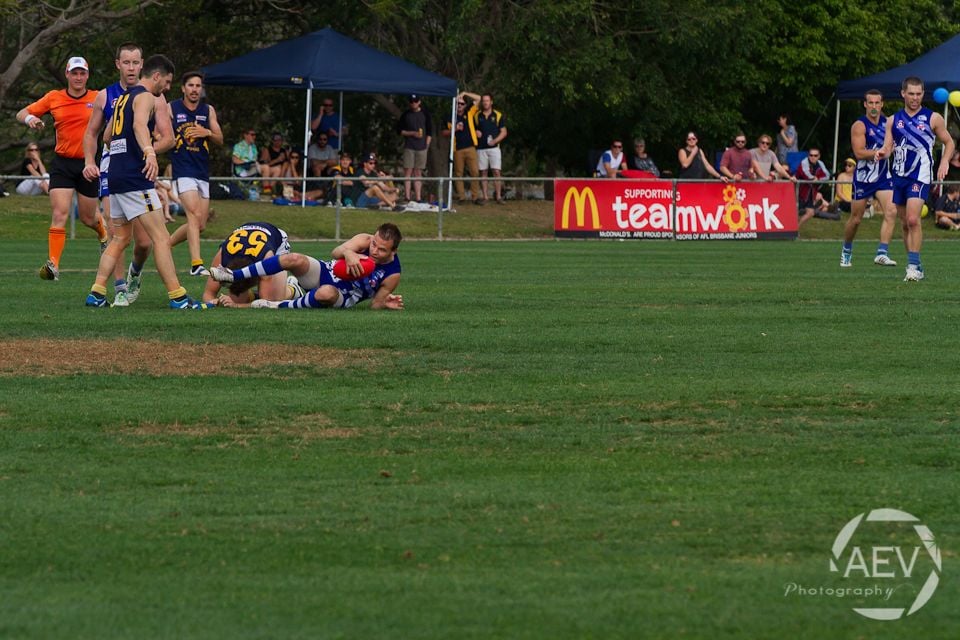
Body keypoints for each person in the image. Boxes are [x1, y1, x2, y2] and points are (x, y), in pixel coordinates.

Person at [84, 54, 203, 309]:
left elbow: (107, 136)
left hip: (115, 177)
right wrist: (148, 152)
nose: (167, 88)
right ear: (156, 76)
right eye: (167, 81)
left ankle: (96, 293)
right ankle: (178, 297)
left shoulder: (121, 99)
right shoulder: (146, 96)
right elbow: (139, 125)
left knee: (120, 239)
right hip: (134, 178)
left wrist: (126, 148)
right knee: (161, 238)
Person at [16, 55, 108, 281]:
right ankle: (53, 265)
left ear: (87, 75)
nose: (78, 77)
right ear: (67, 74)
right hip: (63, 163)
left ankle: (104, 235)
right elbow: (22, 113)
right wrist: (31, 120)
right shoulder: (54, 97)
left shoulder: (98, 97)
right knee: (59, 213)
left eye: (82, 73)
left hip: (88, 164)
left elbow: (119, 117)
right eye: (74, 73)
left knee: (88, 218)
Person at [82, 41, 161, 307]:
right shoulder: (105, 96)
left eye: (135, 63)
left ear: (142, 65)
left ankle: (131, 276)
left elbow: (167, 137)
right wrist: (89, 161)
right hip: (113, 171)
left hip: (138, 171)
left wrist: (149, 152)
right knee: (117, 233)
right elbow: (93, 134)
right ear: (118, 64)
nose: (131, 67)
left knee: (144, 242)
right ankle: (118, 288)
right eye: (126, 62)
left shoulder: (151, 96)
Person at [210, 222, 404, 311]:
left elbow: (375, 305)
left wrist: (384, 303)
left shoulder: (392, 274)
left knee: (325, 293)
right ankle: (234, 275)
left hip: (341, 295)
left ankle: (274, 305)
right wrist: (349, 253)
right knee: (294, 258)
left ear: (393, 251)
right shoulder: (365, 240)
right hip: (326, 271)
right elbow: (335, 252)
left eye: (382, 250)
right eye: (374, 244)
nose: (374, 251)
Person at [877, 76, 955, 281]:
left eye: (919, 94)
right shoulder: (892, 120)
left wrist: (944, 161)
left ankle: (912, 267)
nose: (915, 98)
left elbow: (949, 142)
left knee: (913, 219)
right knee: (905, 224)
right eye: (911, 93)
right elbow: (888, 147)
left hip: (920, 175)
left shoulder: (933, 118)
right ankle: (915, 263)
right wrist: (882, 153)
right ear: (903, 93)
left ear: (923, 94)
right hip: (899, 176)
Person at [167, 71, 223, 277]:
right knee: (193, 214)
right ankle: (196, 264)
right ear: (183, 88)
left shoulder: (208, 111)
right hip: (183, 169)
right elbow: (158, 131)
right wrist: (166, 138)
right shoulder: (171, 108)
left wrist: (206, 132)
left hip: (201, 171)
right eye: (191, 85)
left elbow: (220, 139)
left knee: (200, 224)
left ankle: (165, 244)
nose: (194, 89)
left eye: (198, 86)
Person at [840, 91, 901, 268]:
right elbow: (859, 153)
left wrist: (893, 149)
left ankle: (882, 253)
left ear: (882, 104)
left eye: (877, 103)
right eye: (870, 103)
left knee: (891, 211)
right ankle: (846, 250)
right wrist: (878, 153)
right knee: (856, 219)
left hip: (883, 177)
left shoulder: (888, 123)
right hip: (863, 178)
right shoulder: (859, 126)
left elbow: (893, 146)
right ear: (865, 105)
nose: (874, 106)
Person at [201, 221, 295, 306]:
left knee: (276, 298)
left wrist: (237, 305)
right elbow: (208, 294)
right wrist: (214, 302)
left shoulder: (265, 259)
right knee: (237, 298)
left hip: (276, 240)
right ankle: (251, 296)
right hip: (251, 237)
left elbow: (266, 302)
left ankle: (293, 289)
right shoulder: (223, 256)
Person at [443, 91, 482, 204]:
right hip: (457, 149)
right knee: (458, 173)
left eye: (462, 103)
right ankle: (461, 197)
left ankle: (475, 197)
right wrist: (455, 129)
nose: (459, 105)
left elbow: (479, 98)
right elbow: (444, 132)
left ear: (465, 105)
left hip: (471, 147)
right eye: (457, 103)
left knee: (475, 172)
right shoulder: (450, 117)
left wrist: (465, 93)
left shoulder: (469, 112)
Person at [397, 94, 432, 202]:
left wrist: (426, 146)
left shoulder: (425, 113)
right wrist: (412, 133)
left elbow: (429, 132)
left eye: (415, 101)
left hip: (422, 147)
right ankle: (407, 196)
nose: (414, 104)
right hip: (409, 147)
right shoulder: (406, 114)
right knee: (408, 171)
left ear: (419, 102)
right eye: (412, 102)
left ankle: (418, 197)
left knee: (418, 172)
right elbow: (400, 131)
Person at [475, 93, 508, 203]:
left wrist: (495, 141)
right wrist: (476, 132)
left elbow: (504, 132)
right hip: (481, 148)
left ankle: (498, 197)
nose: (485, 103)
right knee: (483, 172)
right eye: (484, 101)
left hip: (494, 148)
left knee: (496, 172)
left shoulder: (498, 115)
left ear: (491, 102)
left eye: (487, 100)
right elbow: (472, 128)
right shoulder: (477, 115)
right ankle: (485, 197)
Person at [794, 147, 831, 227]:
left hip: (811, 193)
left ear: (819, 156)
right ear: (808, 155)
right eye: (811, 155)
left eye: (815, 155)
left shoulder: (820, 163)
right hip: (799, 192)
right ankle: (790, 230)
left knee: (810, 213)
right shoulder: (804, 162)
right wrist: (814, 178)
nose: (813, 157)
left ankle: (796, 228)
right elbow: (806, 174)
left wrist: (818, 179)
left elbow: (827, 175)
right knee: (794, 213)